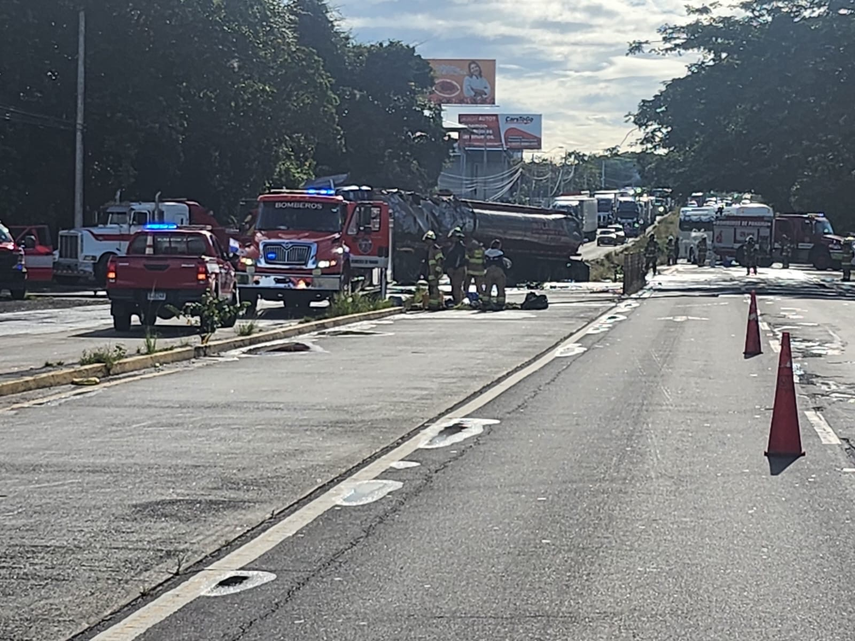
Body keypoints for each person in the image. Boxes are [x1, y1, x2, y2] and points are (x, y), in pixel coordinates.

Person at [483, 239, 510, 311]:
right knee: (501, 289)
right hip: (498, 272)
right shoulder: (500, 253)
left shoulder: (486, 253)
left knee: (487, 289)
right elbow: (502, 264)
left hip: (489, 272)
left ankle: (485, 303)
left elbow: (484, 263)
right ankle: (500, 304)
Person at [445, 227, 467, 305]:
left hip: (458, 270)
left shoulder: (460, 247)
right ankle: (459, 300)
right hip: (455, 269)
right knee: (455, 286)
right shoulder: (453, 246)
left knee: (457, 286)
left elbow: (458, 259)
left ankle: (458, 302)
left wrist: (454, 269)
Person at [422, 231, 444, 311]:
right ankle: (436, 303)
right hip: (430, 272)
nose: (427, 242)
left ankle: (435, 305)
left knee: (434, 288)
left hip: (434, 272)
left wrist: (437, 271)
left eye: (428, 240)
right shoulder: (429, 249)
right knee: (431, 288)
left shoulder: (435, 249)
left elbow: (440, 260)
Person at [465, 234, 486, 299]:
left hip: (470, 269)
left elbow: (466, 258)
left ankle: (465, 296)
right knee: (479, 286)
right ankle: (482, 298)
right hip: (479, 270)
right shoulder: (482, 250)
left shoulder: (470, 250)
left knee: (467, 285)